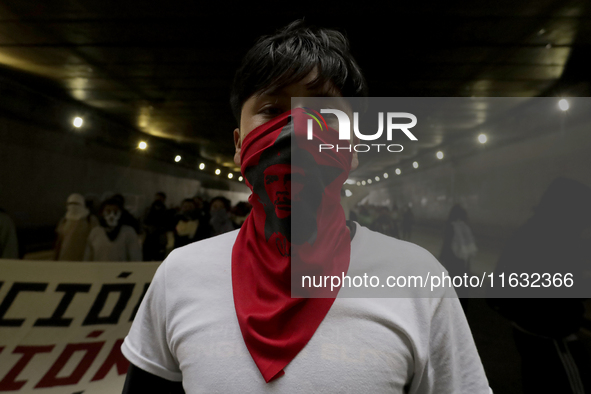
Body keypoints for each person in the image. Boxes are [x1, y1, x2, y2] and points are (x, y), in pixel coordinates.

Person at [121, 20, 491, 393]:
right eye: (271, 110)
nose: (297, 129)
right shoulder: (180, 275)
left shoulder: (417, 279)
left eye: (325, 116)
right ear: (238, 144)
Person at [488, 177, 591, 393]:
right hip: (552, 337)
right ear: (568, 209)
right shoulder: (552, 239)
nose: (585, 220)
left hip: (530, 333)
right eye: (583, 212)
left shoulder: (531, 232)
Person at [439, 204, 477, 311]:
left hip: (452, 263)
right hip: (464, 263)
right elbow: (470, 248)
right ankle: (463, 311)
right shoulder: (466, 227)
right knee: (463, 288)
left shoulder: (451, 226)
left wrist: (442, 260)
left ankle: (453, 311)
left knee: (453, 288)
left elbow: (446, 247)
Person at [84, 197, 142, 262]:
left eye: (115, 212)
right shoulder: (95, 233)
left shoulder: (128, 232)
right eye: (108, 211)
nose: (111, 216)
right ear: (102, 213)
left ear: (121, 213)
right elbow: (87, 259)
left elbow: (136, 259)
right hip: (99, 271)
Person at [54, 193, 99, 261]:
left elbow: (96, 240)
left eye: (76, 204)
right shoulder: (64, 221)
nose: (73, 206)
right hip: (65, 259)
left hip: (83, 260)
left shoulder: (90, 220)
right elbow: (59, 241)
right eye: (71, 204)